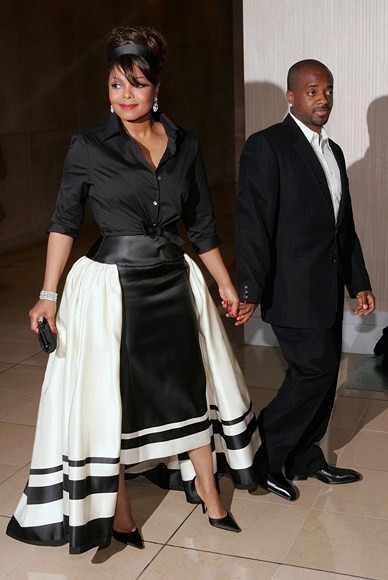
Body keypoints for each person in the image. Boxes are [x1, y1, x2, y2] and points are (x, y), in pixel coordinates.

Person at [6, 25, 260, 554]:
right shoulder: (88, 145)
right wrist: (48, 293)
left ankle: (211, 493)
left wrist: (226, 285)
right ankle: (120, 513)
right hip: (108, 289)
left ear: (156, 88)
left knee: (186, 390)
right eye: (116, 85)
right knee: (113, 401)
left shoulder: (186, 143)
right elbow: (64, 221)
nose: (125, 96)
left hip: (173, 281)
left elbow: (204, 226)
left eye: (137, 85)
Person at [235, 59, 375, 501]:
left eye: (328, 91)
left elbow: (343, 226)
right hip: (291, 288)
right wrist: (250, 290)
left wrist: (360, 282)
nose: (323, 99)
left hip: (328, 289)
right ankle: (267, 458)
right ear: (291, 97)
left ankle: (306, 458)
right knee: (312, 372)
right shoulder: (267, 146)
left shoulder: (333, 151)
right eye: (312, 91)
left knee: (325, 372)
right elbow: (253, 224)